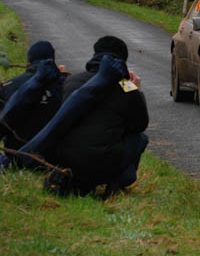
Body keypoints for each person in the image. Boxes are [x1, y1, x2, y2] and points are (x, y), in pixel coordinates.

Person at [22, 36, 149, 197]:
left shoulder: (72, 80)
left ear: (95, 54)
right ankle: (117, 182)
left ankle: (73, 180)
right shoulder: (126, 86)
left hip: (69, 162)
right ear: (123, 60)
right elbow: (139, 125)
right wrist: (136, 91)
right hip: (105, 163)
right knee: (139, 138)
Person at [0, 41, 65, 164]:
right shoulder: (64, 84)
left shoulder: (10, 85)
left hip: (15, 154)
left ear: (28, 61)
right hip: (54, 157)